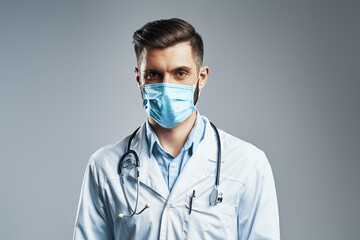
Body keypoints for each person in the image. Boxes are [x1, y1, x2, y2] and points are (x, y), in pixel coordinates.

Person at [73, 18, 280, 240]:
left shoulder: (248, 165)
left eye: (180, 73)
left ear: (201, 78)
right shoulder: (104, 167)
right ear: (138, 79)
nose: (167, 87)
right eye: (154, 75)